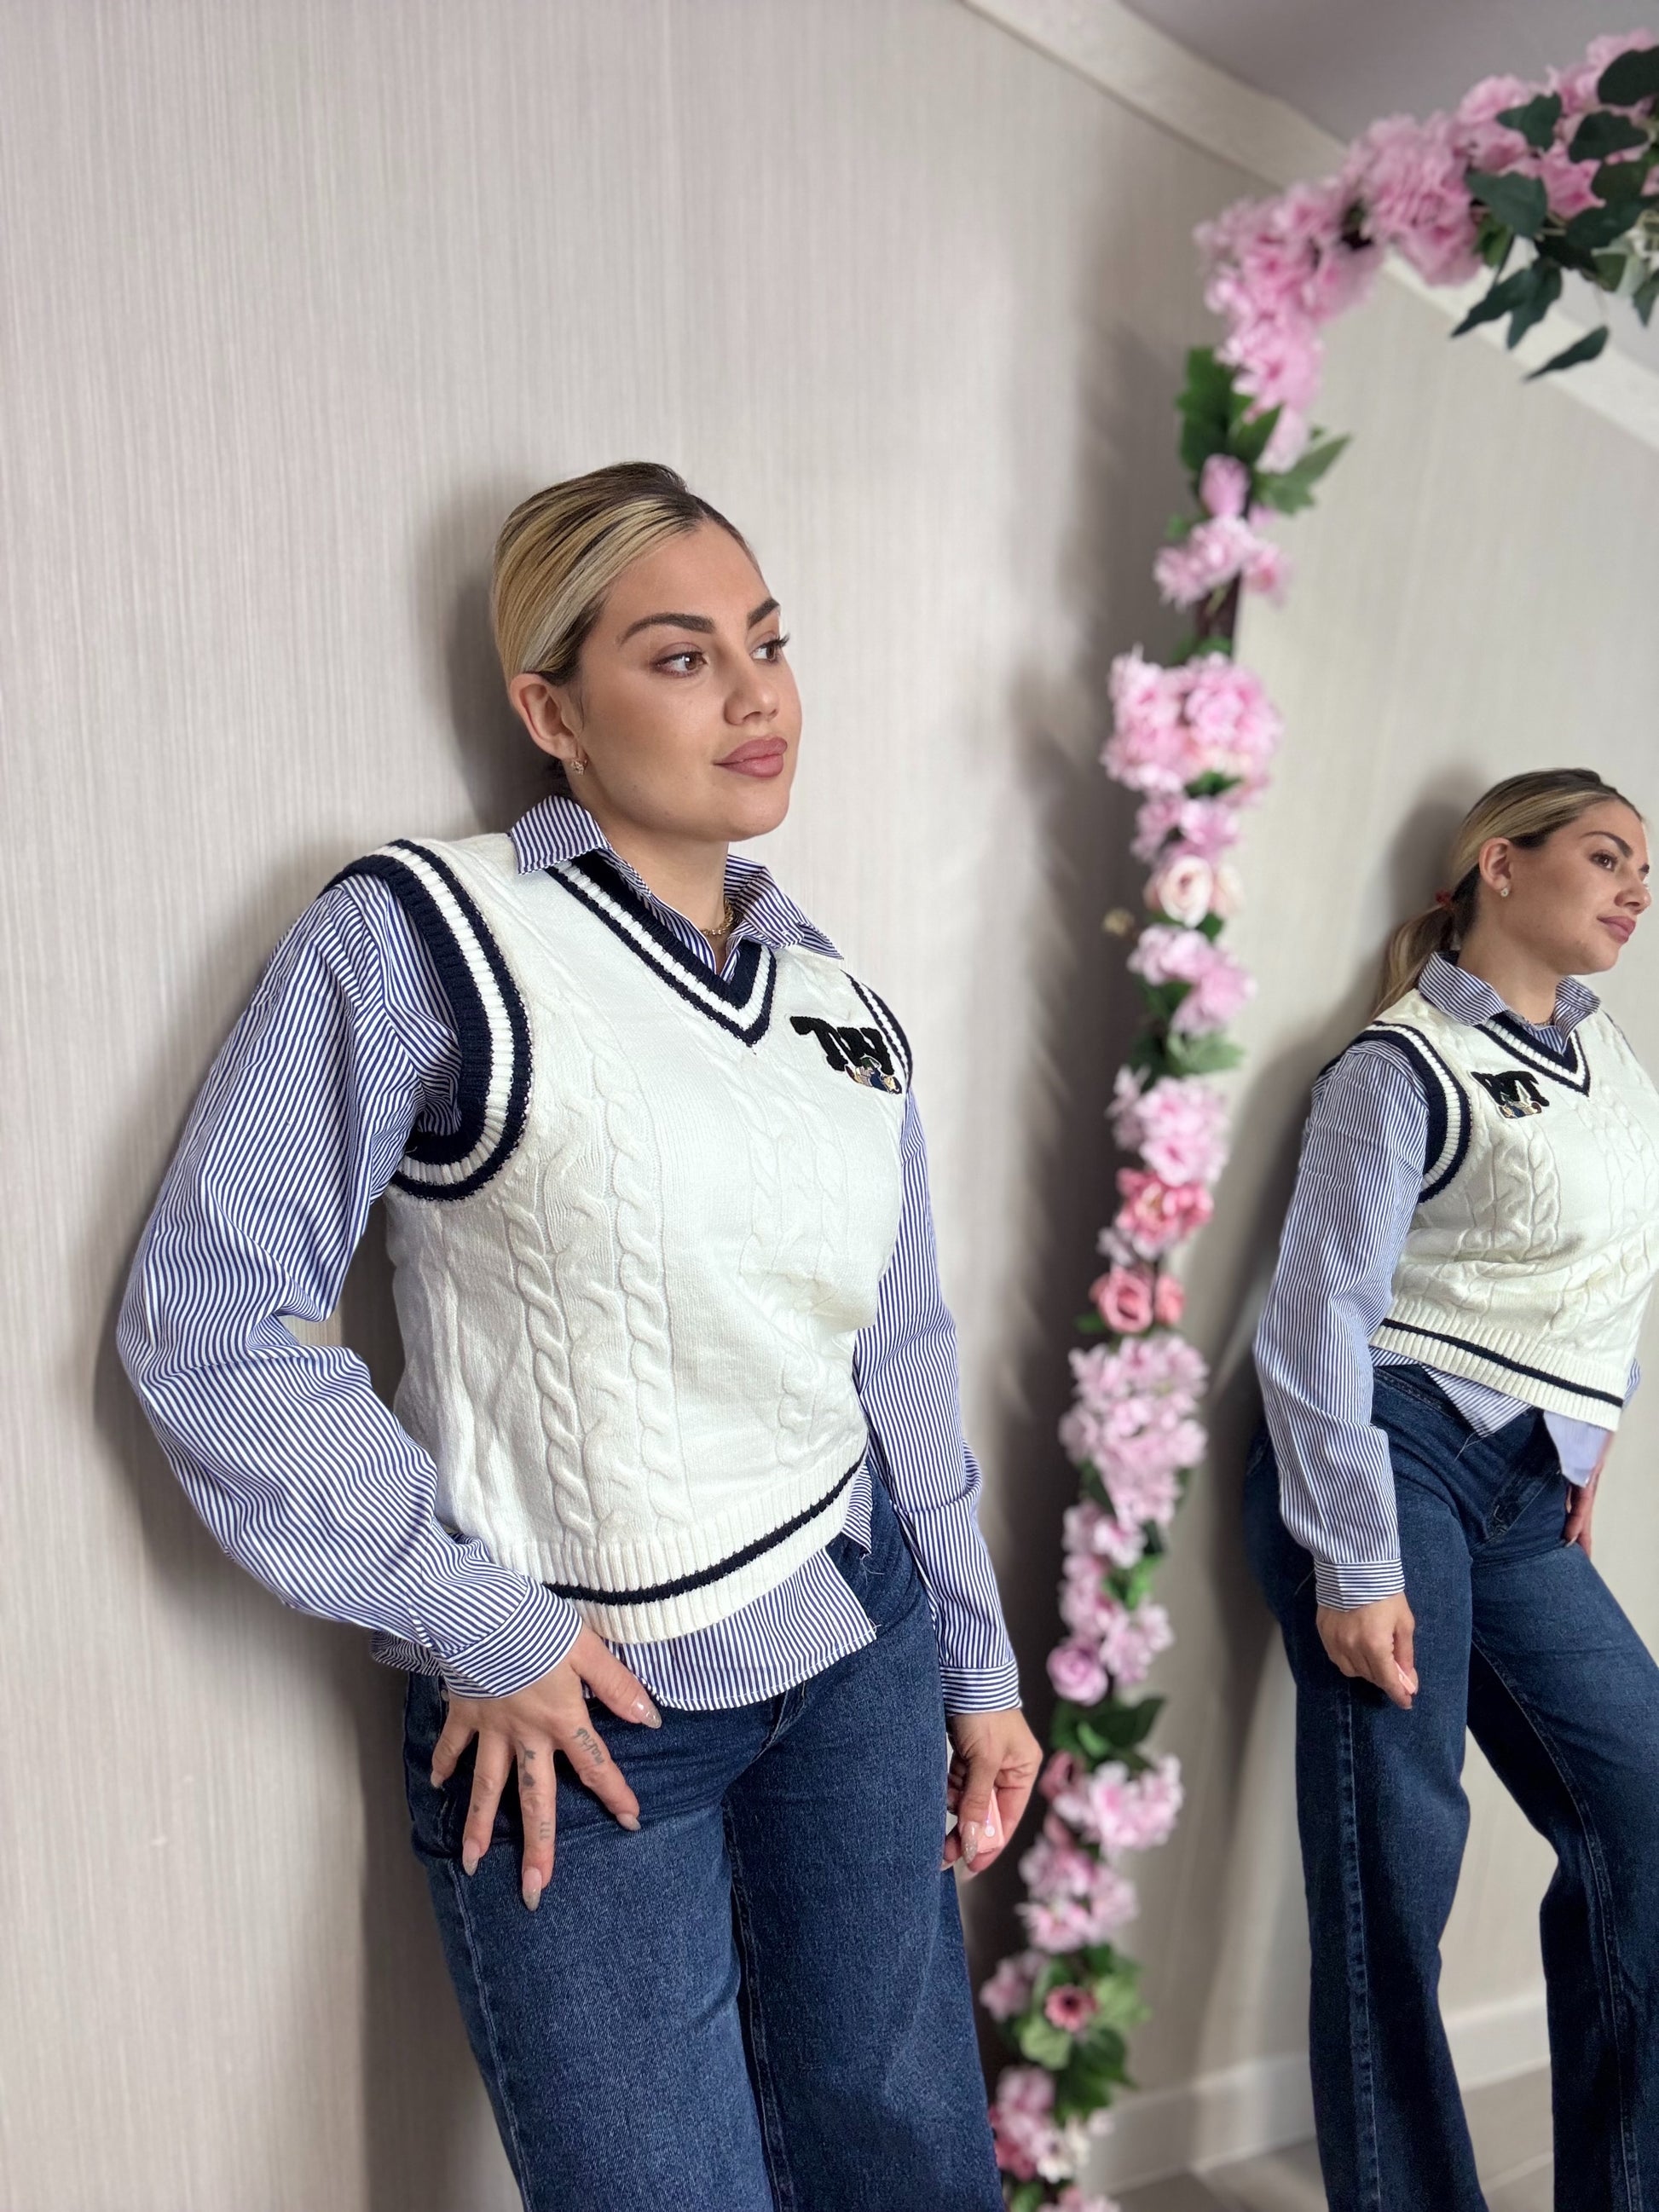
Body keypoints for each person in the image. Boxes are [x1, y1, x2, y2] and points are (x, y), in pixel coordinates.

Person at [118, 461, 1042, 2212]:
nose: (756, 695)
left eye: (766, 642)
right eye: (682, 657)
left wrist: (978, 1664)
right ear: (550, 711)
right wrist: (476, 1616)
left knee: (910, 2158)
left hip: (857, 1641)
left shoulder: (837, 1001)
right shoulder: (427, 932)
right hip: (589, 1712)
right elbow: (211, 1312)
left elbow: (900, 1355)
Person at [1246, 767, 1659, 2209]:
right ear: (1499, 864)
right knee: (1395, 1870)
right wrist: (1355, 1558)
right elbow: (1314, 1321)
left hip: (1523, 1490)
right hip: (1389, 1451)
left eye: (1643, 868)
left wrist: (1584, 1443)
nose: (1634, 888)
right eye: (1604, 855)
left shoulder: (1614, 1064)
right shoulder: (1399, 1063)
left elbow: (1613, 1269)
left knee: (1642, 1811)